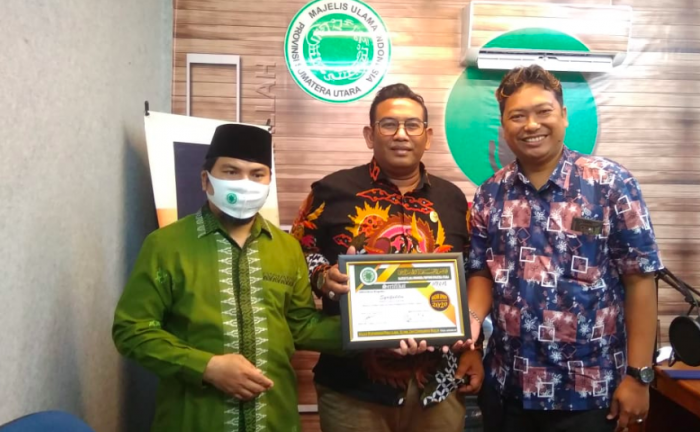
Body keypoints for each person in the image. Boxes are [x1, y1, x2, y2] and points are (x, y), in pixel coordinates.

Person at [466, 65, 663, 432]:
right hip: (508, 387)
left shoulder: (610, 184)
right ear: (504, 125)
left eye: (543, 111)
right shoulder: (490, 194)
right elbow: (481, 272)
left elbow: (640, 279)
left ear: (564, 116)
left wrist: (639, 375)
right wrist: (471, 329)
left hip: (589, 392)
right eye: (517, 116)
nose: (531, 125)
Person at [112, 124, 346, 432]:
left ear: (268, 182)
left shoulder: (287, 248)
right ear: (205, 180)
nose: (246, 183)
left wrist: (374, 330)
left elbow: (301, 326)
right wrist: (206, 367)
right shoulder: (166, 245)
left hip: (273, 419)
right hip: (193, 419)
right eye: (231, 172)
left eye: (257, 174)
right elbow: (132, 330)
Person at [290, 83, 484, 432]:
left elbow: (473, 274)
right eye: (389, 124)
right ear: (370, 135)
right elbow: (296, 255)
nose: (401, 134)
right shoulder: (330, 192)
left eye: (412, 125)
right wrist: (322, 275)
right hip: (353, 387)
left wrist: (473, 348)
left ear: (427, 137)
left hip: (438, 383)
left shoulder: (454, 200)